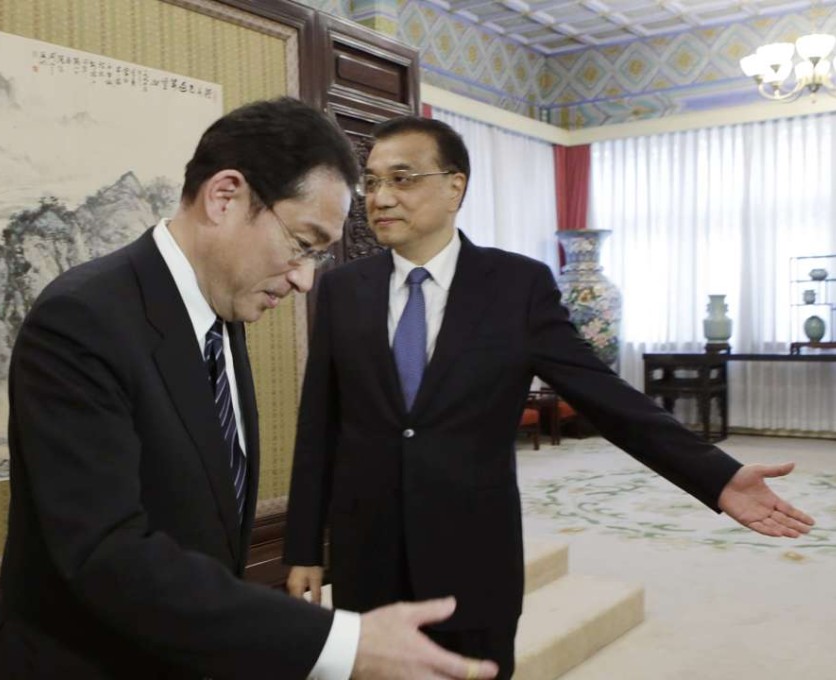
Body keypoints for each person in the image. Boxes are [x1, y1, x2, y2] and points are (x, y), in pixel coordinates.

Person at [0, 99, 500, 680]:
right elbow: (105, 555)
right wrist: (343, 643)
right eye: (303, 243)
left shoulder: (221, 316)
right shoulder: (82, 319)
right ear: (225, 197)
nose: (305, 279)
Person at [282, 115, 815, 680]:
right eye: (372, 181)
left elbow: (606, 397)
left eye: (403, 178)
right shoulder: (342, 289)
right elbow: (319, 423)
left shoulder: (517, 286)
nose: (381, 197)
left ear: (455, 186)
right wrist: (303, 548)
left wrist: (717, 476)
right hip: (367, 555)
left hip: (472, 554)